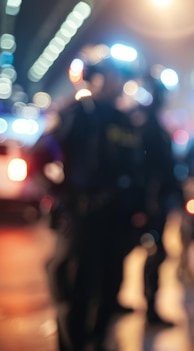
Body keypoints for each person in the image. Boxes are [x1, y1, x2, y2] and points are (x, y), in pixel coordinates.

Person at [49, 52, 146, 351]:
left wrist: (140, 208)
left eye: (119, 77)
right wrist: (65, 196)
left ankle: (98, 341)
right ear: (94, 77)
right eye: (108, 75)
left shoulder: (124, 120)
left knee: (110, 288)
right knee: (77, 290)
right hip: (83, 217)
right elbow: (45, 154)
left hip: (116, 218)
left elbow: (136, 167)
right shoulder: (75, 113)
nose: (115, 83)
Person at [131, 73, 182, 326]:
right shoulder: (144, 126)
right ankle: (149, 308)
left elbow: (167, 168)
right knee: (153, 253)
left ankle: (150, 306)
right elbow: (145, 168)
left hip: (157, 200)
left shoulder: (155, 127)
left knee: (157, 253)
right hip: (147, 202)